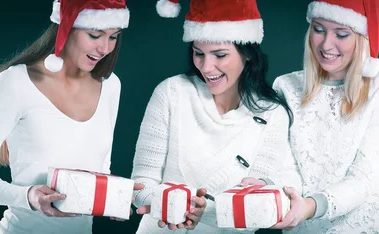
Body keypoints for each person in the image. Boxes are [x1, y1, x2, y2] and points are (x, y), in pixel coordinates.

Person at [0, 1, 139, 233]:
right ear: (66, 27)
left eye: (114, 37)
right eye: (95, 35)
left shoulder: (111, 85)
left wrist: (116, 194)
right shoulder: (15, 82)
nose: (105, 48)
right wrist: (29, 196)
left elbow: (100, 168)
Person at [130, 0, 303, 233]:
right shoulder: (172, 92)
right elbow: (140, 186)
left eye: (220, 55)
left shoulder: (272, 114)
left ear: (248, 53)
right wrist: (170, 205)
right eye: (198, 53)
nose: (207, 67)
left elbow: (259, 203)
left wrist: (206, 209)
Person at [242, 0, 379, 233]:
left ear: (363, 39)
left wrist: (310, 206)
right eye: (318, 29)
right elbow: (287, 165)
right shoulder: (287, 86)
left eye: (341, 34)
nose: (325, 44)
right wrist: (269, 185)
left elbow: (365, 179)